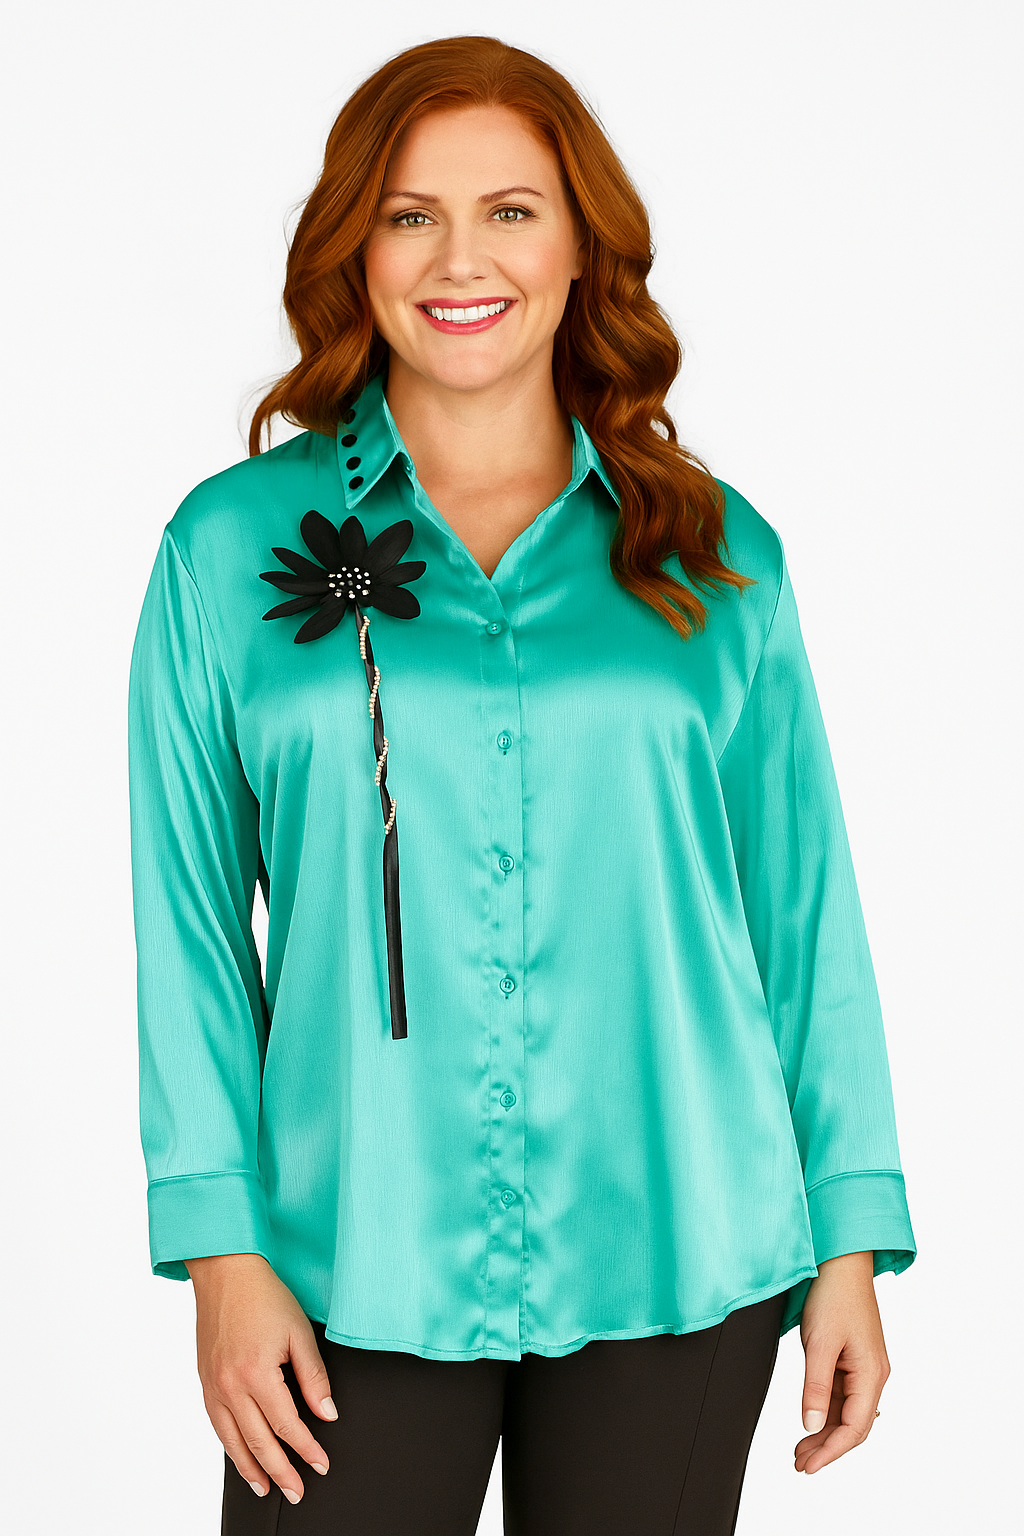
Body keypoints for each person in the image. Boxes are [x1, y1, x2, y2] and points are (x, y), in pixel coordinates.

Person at [127, 34, 917, 1535]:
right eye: (410, 214)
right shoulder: (225, 552)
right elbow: (189, 924)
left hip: (684, 1242)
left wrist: (848, 1235)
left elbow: (801, 909)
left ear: (578, 248)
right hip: (345, 1249)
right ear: (357, 248)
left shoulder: (718, 556)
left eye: (509, 210)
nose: (459, 258)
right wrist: (220, 1248)